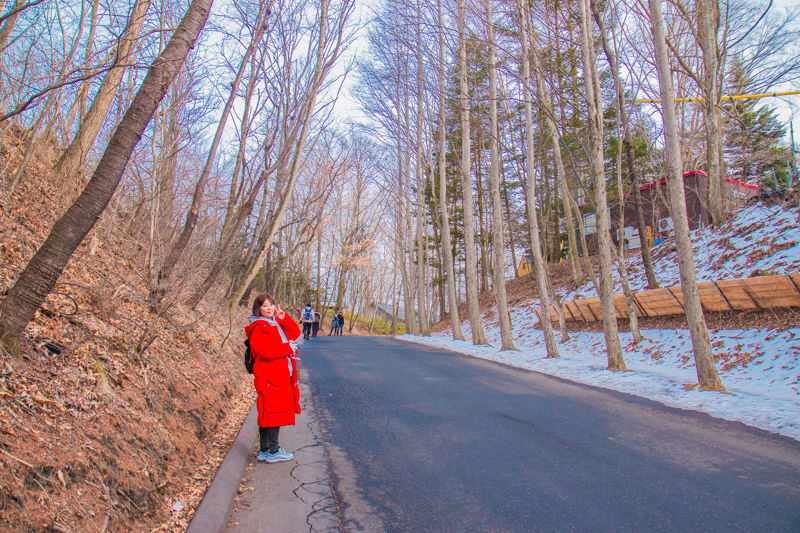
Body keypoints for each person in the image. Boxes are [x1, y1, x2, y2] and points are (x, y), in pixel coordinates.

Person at [245, 293, 301, 463]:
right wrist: (287, 348)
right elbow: (265, 351)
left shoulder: (274, 323)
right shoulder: (259, 327)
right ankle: (274, 451)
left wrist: (284, 319)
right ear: (258, 309)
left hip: (276, 375)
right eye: (265, 306)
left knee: (267, 412)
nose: (269, 308)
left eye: (271, 305)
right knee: (272, 413)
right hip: (270, 376)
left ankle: (265, 450)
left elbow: (295, 333)